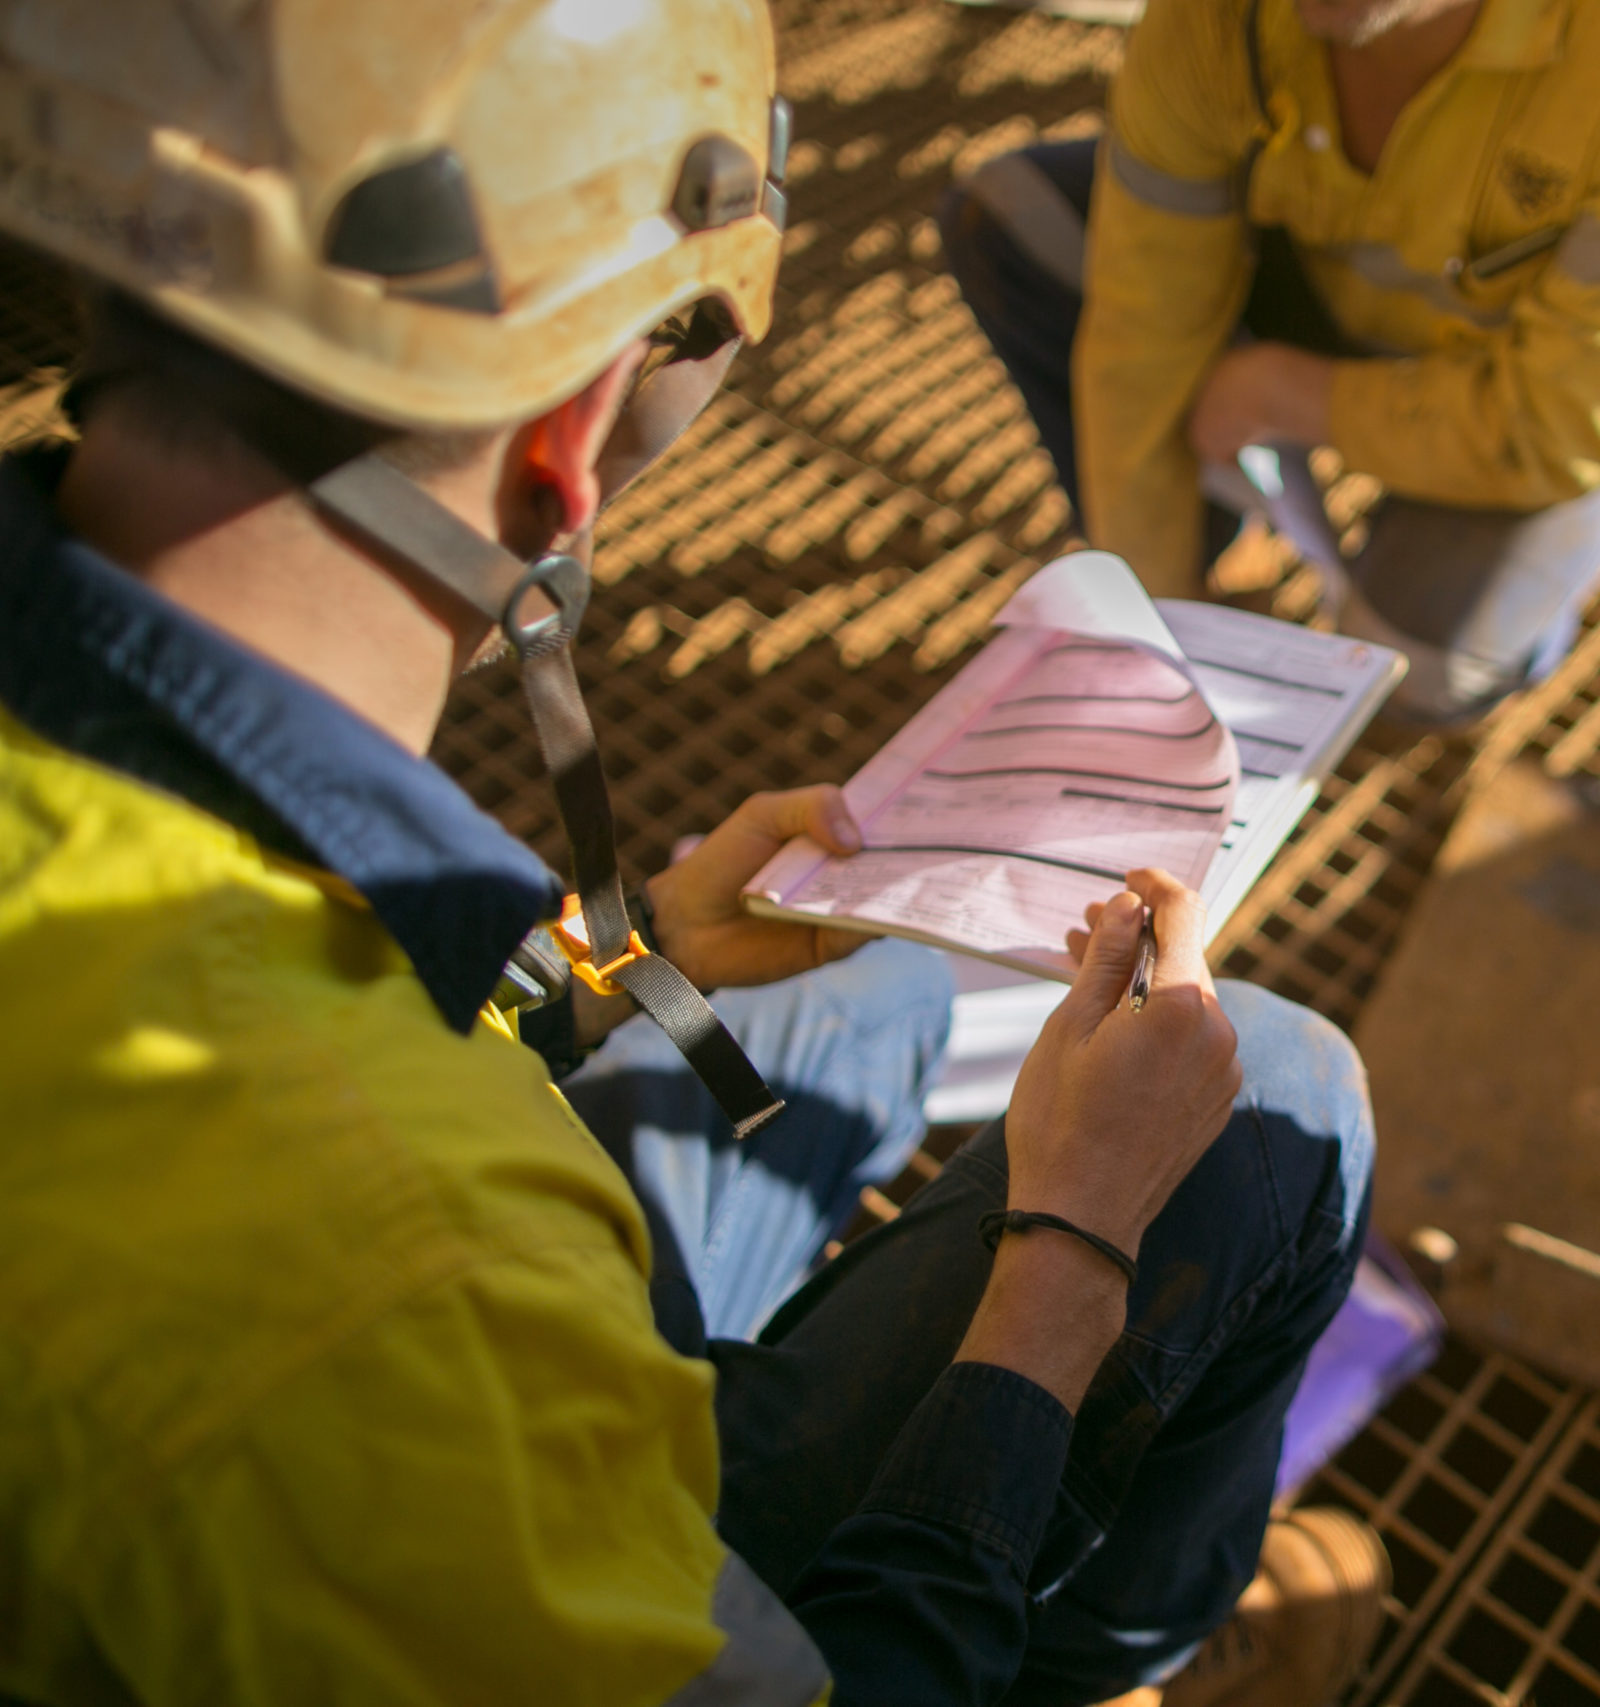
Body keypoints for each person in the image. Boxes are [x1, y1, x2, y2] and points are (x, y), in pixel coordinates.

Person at [0, 3, 1383, 1704]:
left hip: (388, 1366)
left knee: (871, 984)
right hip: (562, 1519)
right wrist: (1069, 1254)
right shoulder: (395, 1274)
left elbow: (283, 967)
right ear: (565, 450)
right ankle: (1087, 1657)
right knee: (1276, 1100)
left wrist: (621, 949)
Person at [940, 0, 1600, 724]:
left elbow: (1568, 421)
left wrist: (1291, 393)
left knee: (1421, 666)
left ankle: (1516, 628)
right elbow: (1140, 327)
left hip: (1527, 394)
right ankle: (1218, 544)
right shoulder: (1212, 15)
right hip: (1315, 284)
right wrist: (1157, 641)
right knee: (1015, 222)